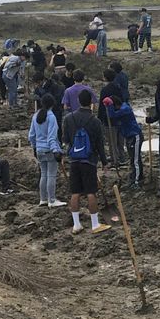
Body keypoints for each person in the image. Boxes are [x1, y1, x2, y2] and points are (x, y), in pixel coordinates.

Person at [62, 89, 114, 232]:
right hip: (89, 160)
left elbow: (65, 140)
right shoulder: (95, 121)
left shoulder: (68, 119)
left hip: (74, 160)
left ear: (78, 101)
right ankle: (95, 224)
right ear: (91, 103)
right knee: (91, 192)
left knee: (75, 192)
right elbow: (99, 144)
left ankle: (76, 224)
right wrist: (104, 162)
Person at [28, 94, 65, 207]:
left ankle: (43, 199)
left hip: (39, 149)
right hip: (49, 150)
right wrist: (55, 150)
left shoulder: (35, 116)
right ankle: (52, 200)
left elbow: (31, 135)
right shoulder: (51, 117)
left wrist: (34, 147)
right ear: (52, 104)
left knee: (43, 174)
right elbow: (51, 136)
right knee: (51, 175)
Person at [105, 96, 144, 187]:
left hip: (135, 136)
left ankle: (137, 181)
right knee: (133, 159)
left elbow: (112, 115)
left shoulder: (125, 108)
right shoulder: (122, 108)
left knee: (135, 160)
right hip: (129, 136)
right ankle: (136, 177)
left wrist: (109, 106)